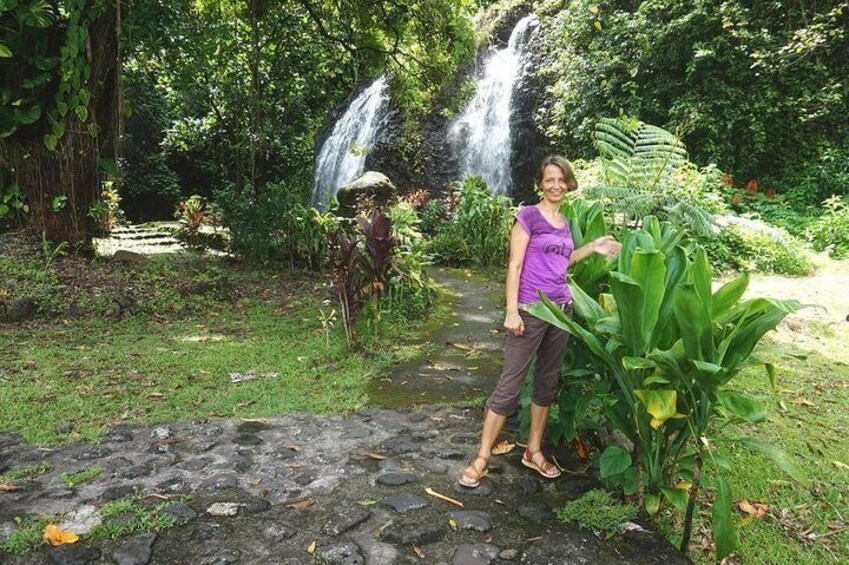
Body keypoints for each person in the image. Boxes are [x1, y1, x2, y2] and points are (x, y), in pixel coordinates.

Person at [458, 155, 621, 488]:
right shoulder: (528, 217)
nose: (556, 185)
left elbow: (564, 260)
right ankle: (482, 457)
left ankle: (533, 450)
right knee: (510, 385)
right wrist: (512, 309)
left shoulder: (565, 223)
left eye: (561, 180)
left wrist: (593, 247)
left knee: (546, 384)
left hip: (561, 311)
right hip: (531, 310)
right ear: (541, 183)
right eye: (550, 180)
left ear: (569, 183)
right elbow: (515, 265)